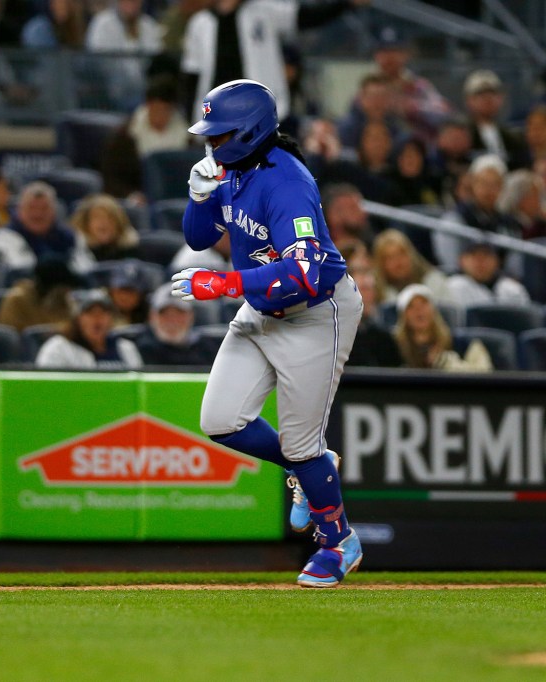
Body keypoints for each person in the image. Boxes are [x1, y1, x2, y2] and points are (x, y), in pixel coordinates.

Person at [172, 79, 363, 587]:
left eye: (219, 135)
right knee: (221, 419)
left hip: (315, 313)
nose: (211, 145)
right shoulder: (232, 171)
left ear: (249, 131)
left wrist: (225, 282)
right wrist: (199, 196)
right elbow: (198, 237)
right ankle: (310, 468)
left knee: (303, 446)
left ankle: (338, 540)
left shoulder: (287, 182)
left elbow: (304, 275)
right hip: (263, 309)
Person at [180, 0, 368, 123]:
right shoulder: (200, 23)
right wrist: (192, 120)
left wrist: (346, 4)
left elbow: (307, 17)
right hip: (218, 114)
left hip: (260, 111)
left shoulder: (263, 11)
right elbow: (192, 77)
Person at [100, 75, 189, 203]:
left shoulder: (187, 138)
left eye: (165, 110)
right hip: (136, 201)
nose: (159, 116)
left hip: (173, 199)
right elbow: (110, 178)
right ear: (147, 105)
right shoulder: (124, 137)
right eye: (155, 109)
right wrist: (131, 195)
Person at [35, 288, 143, 369]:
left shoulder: (126, 348)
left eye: (103, 312)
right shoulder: (58, 348)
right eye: (90, 312)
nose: (97, 318)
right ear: (77, 319)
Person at [394, 283, 491, 372]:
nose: (419, 310)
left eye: (424, 304)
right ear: (403, 316)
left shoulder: (464, 344)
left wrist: (447, 363)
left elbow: (484, 373)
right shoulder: (392, 347)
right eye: (411, 306)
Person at [0, 252, 84, 332]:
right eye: (64, 288)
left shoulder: (63, 302)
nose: (67, 292)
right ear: (50, 288)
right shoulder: (17, 301)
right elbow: (15, 339)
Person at [463, 69, 529, 170]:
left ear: (501, 98)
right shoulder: (463, 136)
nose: (488, 98)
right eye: (480, 94)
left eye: (493, 93)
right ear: (469, 100)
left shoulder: (513, 139)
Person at [135, 284, 211, 365]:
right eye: (164, 314)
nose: (172, 320)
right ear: (152, 317)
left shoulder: (208, 350)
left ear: (191, 316)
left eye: (179, 313)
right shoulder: (136, 350)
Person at [372, 228, 450, 304]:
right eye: (390, 258)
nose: (398, 262)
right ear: (380, 264)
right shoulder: (376, 293)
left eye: (401, 253)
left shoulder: (434, 282)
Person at [345, 267, 402, 368]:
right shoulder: (336, 336)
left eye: (370, 290)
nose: (368, 295)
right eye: (363, 289)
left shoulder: (384, 337)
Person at [445, 240, 530, 306]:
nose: (480, 261)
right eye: (473, 255)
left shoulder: (513, 289)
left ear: (497, 261)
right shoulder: (453, 285)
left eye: (486, 255)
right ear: (461, 260)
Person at [69, 193, 140, 263]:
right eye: (97, 217)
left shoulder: (129, 250)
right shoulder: (75, 250)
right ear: (85, 223)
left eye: (110, 217)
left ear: (119, 223)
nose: (104, 222)